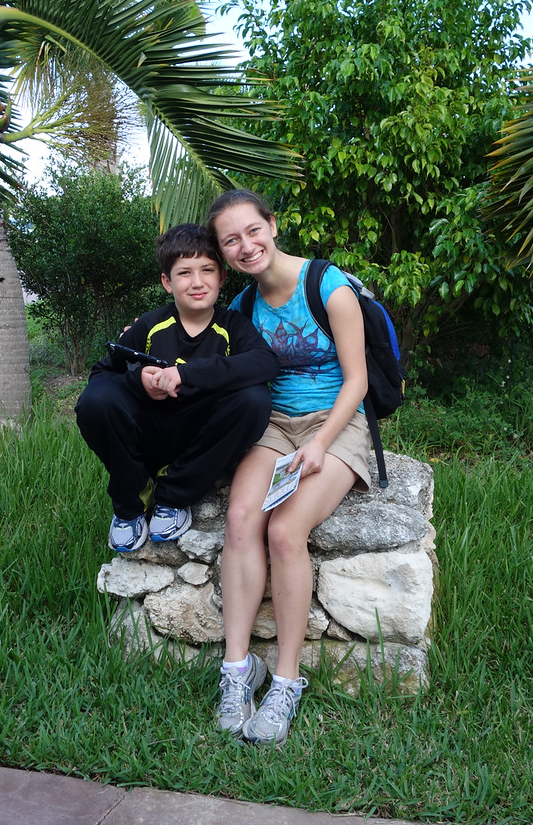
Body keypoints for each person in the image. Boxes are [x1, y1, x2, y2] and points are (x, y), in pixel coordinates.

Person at [205, 189, 370, 747]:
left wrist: (321, 443)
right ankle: (237, 671)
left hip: (337, 422)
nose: (246, 246)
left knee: (284, 530)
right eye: (231, 240)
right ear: (225, 253)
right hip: (275, 424)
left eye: (253, 230)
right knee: (240, 519)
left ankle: (286, 680)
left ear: (272, 226)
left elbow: (358, 381)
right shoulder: (244, 306)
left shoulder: (328, 286)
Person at [75, 223, 278, 553]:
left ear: (222, 277)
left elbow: (265, 363)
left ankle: (173, 497)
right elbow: (101, 374)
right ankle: (131, 503)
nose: (197, 282)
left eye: (207, 270)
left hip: (201, 439)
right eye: (184, 273)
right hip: (148, 435)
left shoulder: (233, 326)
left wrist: (187, 374)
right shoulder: (150, 325)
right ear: (167, 282)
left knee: (254, 399)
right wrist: (139, 382)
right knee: (96, 401)